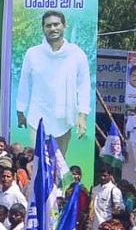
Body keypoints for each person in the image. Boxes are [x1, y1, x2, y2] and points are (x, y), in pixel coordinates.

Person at [16, 11, 91, 156]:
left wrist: (83, 116)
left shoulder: (76, 54)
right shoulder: (33, 54)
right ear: (43, 29)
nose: (52, 28)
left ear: (64, 26)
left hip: (64, 118)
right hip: (37, 117)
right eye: (48, 25)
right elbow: (24, 83)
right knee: (38, 162)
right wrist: (20, 111)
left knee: (59, 165)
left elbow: (84, 86)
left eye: (56, 24)